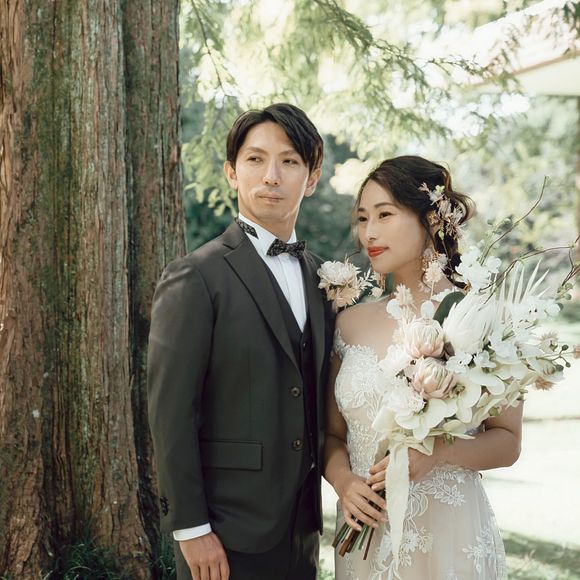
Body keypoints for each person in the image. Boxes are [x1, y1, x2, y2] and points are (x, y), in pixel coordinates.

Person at [147, 103, 335, 580]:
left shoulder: (323, 278)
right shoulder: (195, 277)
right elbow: (171, 412)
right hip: (223, 534)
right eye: (255, 159)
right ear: (232, 172)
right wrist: (191, 528)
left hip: (302, 532)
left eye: (289, 161)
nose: (272, 176)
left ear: (312, 178)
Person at [324, 156, 522, 579]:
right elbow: (332, 436)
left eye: (384, 215)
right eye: (362, 218)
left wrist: (438, 453)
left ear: (431, 220)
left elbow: (507, 442)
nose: (369, 232)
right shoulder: (347, 324)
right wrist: (344, 482)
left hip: (449, 531)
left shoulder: (481, 318)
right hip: (367, 531)